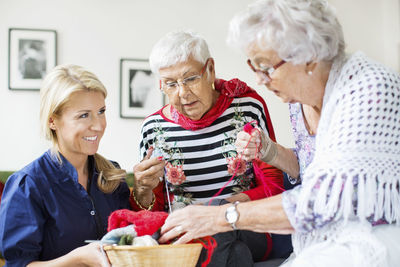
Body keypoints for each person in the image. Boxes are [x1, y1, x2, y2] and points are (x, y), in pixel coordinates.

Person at [159, 1, 400, 266]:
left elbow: (324, 200)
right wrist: (270, 151)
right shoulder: (300, 100)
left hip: (374, 241)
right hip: (325, 241)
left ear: (309, 56)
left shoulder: (371, 91)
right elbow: (312, 168)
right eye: (254, 67)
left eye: (266, 67)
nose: (260, 80)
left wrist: (220, 216)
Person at [132, 30, 291, 266]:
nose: (183, 93)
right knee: (235, 254)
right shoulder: (153, 128)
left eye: (190, 78)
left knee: (219, 220)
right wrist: (142, 189)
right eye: (171, 84)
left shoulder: (247, 108)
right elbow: (151, 209)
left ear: (210, 70)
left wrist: (220, 211)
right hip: (188, 240)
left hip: (246, 225)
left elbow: (274, 187)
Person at [0, 64, 131, 267]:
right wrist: (78, 259)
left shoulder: (111, 175)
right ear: (53, 121)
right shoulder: (28, 185)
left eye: (101, 111)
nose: (98, 125)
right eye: (84, 115)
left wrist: (146, 191)